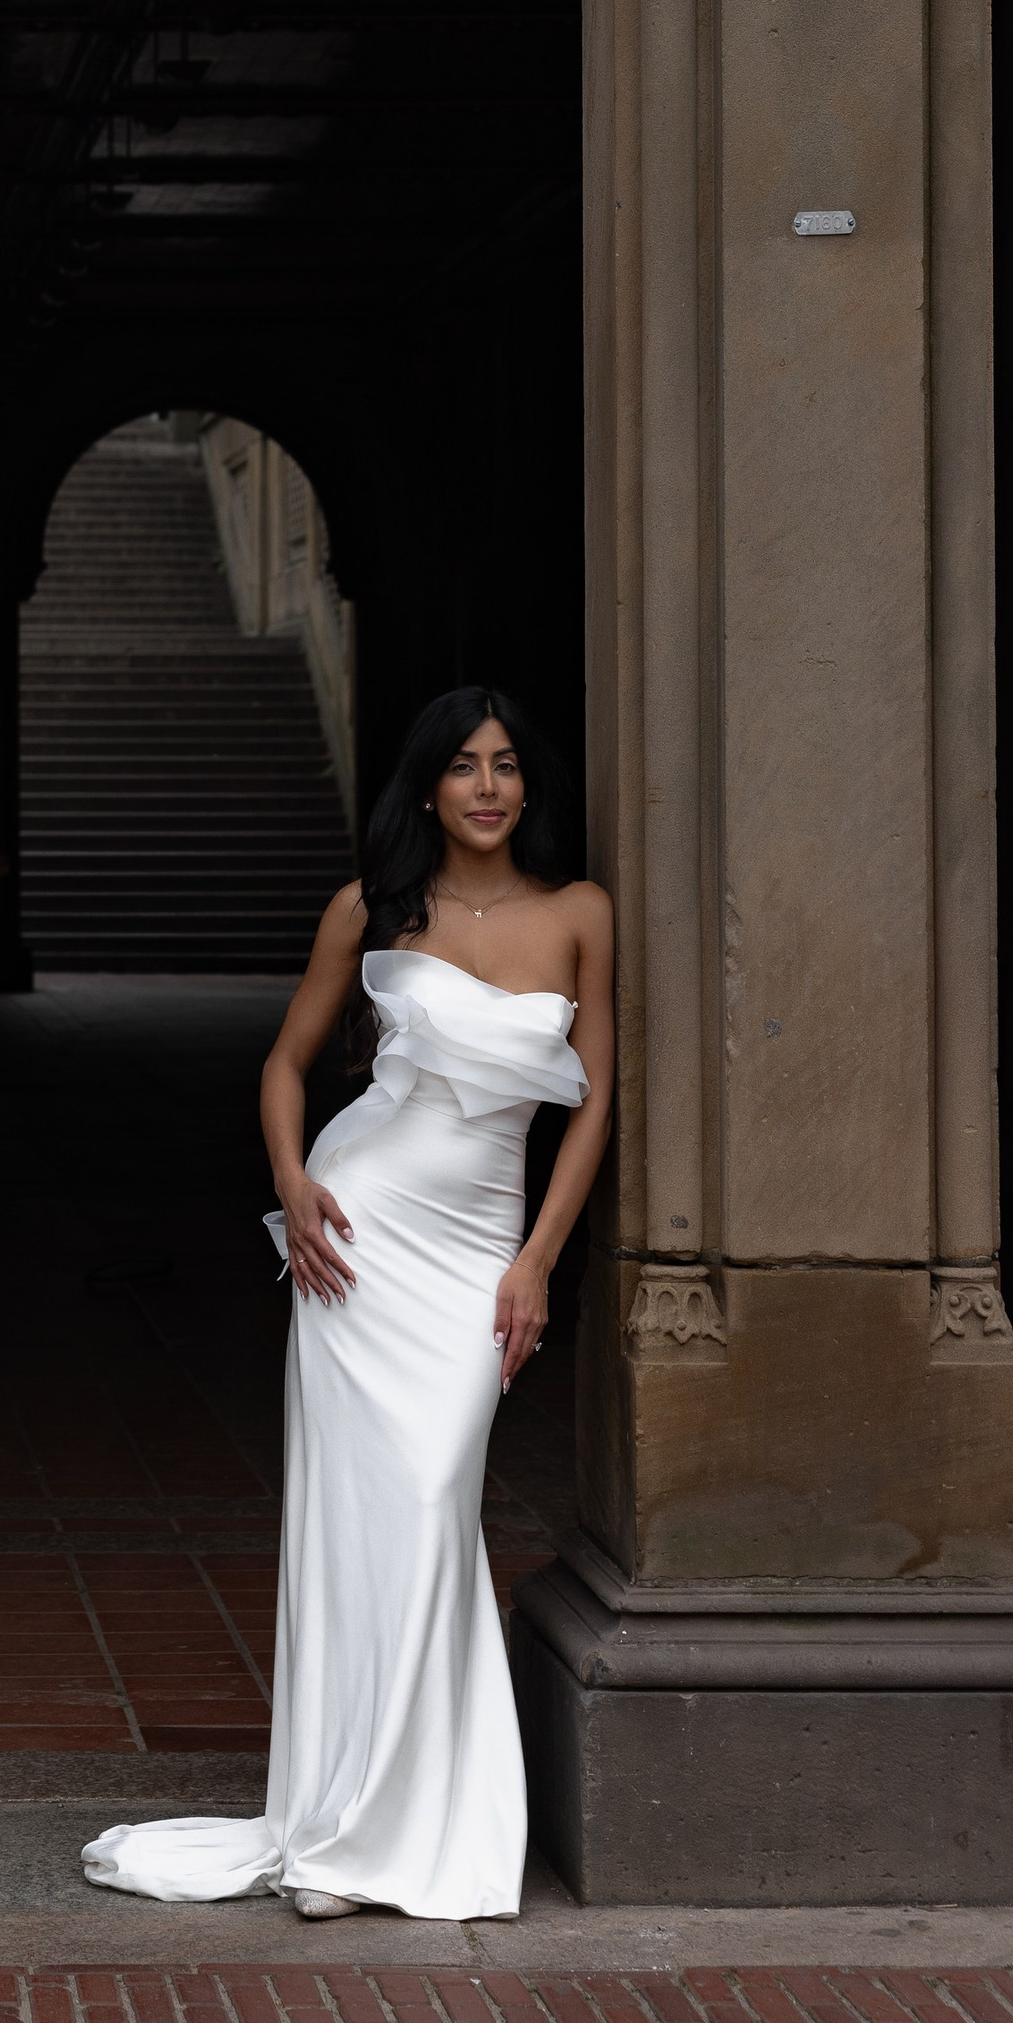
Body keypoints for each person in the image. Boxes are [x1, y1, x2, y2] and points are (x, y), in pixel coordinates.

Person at [82, 685, 612, 1923]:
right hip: (359, 1244)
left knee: (433, 1499)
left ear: (530, 786)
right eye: (465, 766)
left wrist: (537, 1259)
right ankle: (344, 1821)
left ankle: (405, 1821)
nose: (489, 786)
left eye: (508, 765)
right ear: (426, 785)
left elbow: (595, 1105)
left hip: (480, 1244)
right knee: (360, 1522)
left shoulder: (581, 914)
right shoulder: (368, 912)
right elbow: (284, 1059)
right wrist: (290, 1176)